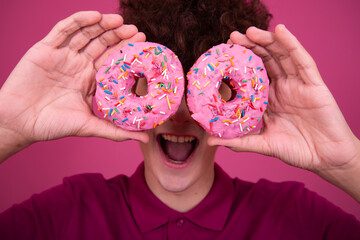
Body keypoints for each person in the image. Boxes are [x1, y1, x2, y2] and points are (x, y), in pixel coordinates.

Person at [0, 0, 359, 239]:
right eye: (163, 91)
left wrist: (347, 162)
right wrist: (5, 129)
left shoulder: (296, 217)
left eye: (205, 92)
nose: (181, 115)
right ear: (135, 87)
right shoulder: (66, 214)